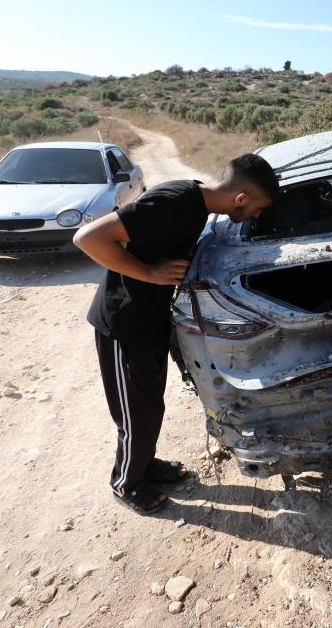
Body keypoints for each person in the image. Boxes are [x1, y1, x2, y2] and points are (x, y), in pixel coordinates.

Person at [74, 153, 279, 514]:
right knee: (136, 412)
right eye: (258, 208)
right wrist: (150, 274)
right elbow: (88, 238)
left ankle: (145, 466)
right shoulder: (171, 202)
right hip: (125, 324)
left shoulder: (198, 206)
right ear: (241, 199)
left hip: (149, 321)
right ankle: (126, 483)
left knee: (150, 407)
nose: (258, 216)